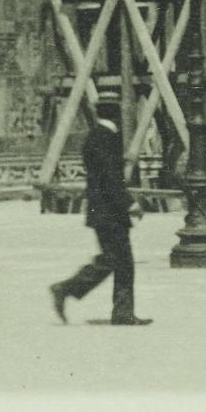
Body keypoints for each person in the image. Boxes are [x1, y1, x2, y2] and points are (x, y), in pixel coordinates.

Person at [51, 103, 148, 325]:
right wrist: (129, 203)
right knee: (117, 260)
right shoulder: (105, 137)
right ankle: (66, 288)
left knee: (116, 260)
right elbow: (109, 177)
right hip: (109, 211)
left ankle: (121, 312)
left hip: (102, 210)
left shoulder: (97, 136)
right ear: (116, 113)